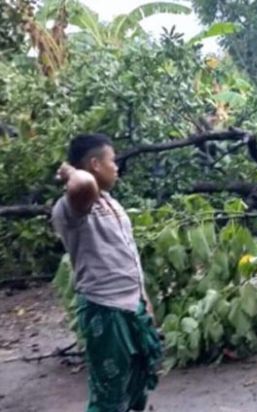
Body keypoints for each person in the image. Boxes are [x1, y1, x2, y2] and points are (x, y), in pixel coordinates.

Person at [51, 133, 162, 411]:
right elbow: (83, 183)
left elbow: (129, 255)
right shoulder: (74, 207)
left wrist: (143, 299)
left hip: (130, 305)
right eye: (112, 160)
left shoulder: (111, 203)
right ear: (94, 164)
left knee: (137, 381)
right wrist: (70, 171)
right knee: (109, 393)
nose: (117, 167)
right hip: (104, 308)